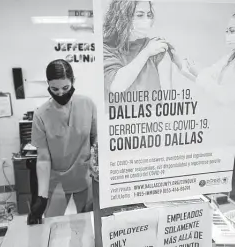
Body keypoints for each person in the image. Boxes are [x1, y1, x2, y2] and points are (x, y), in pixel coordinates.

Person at [27, 59, 97, 224]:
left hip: (84, 179)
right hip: (56, 182)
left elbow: (96, 141)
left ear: (73, 81)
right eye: (54, 89)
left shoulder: (87, 105)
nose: (60, 94)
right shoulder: (41, 115)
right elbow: (43, 159)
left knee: (87, 225)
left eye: (65, 88)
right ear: (48, 85)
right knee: (52, 225)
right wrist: (41, 197)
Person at [103, 0, 190, 106]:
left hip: (151, 120)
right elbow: (116, 86)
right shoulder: (106, 48)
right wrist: (146, 53)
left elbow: (168, 100)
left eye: (149, 15)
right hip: (118, 121)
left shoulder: (157, 47)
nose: (147, 20)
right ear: (122, 17)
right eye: (140, 15)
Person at [185, 6, 235, 106]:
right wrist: (192, 69)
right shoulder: (229, 57)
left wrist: (199, 74)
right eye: (226, 31)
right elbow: (210, 73)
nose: (228, 34)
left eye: (232, 31)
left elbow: (226, 97)